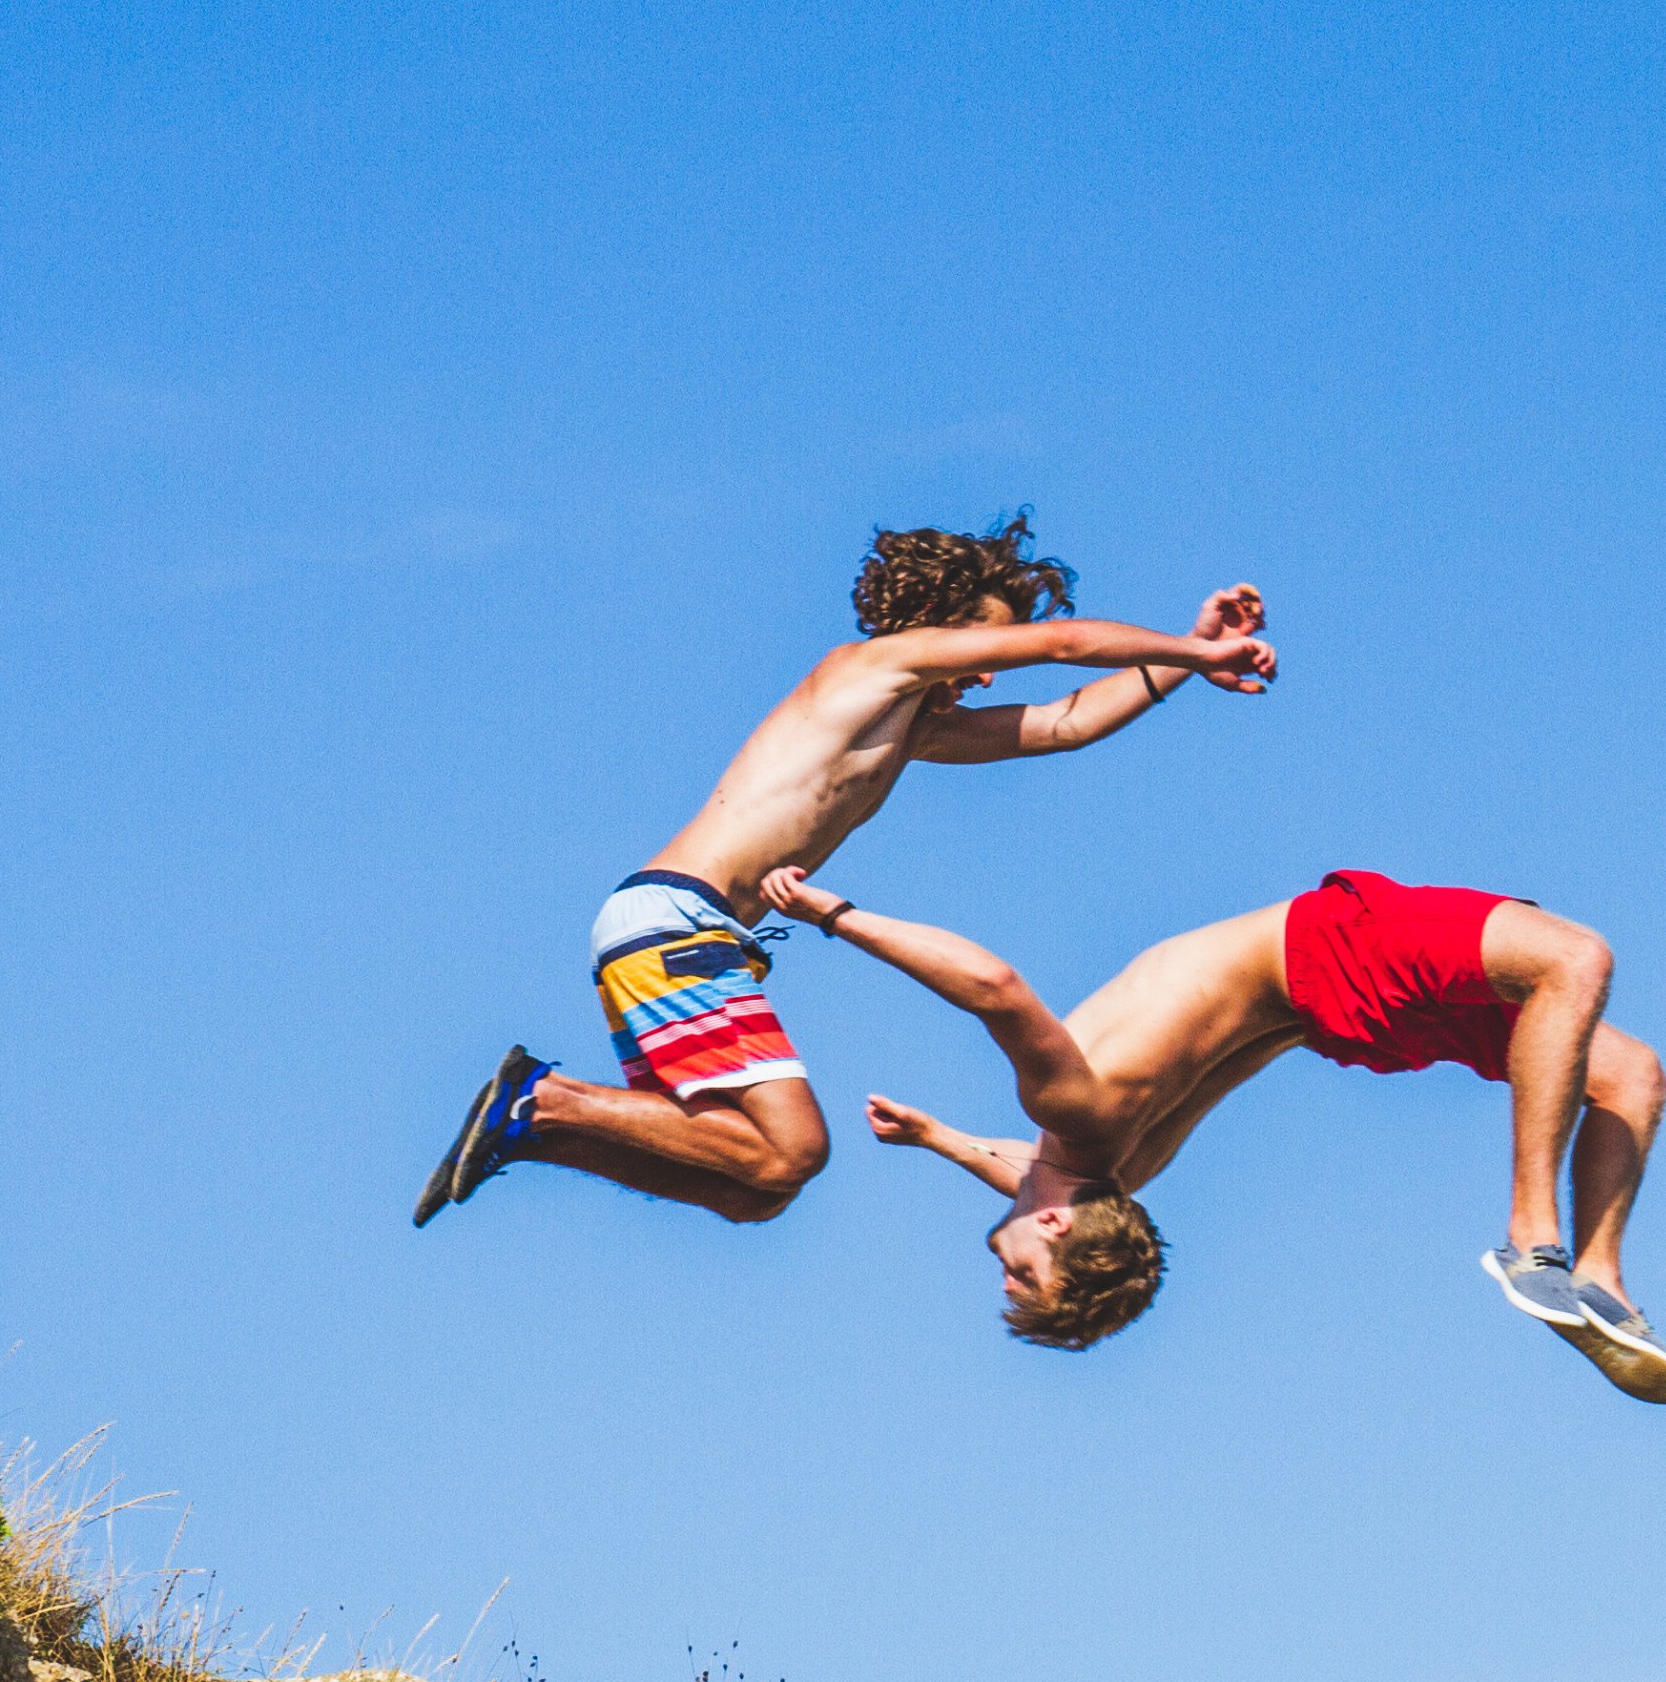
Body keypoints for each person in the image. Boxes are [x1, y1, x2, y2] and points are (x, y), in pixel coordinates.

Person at [413, 513, 1274, 1228]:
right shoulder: (865, 668)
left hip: (691, 937)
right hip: (673, 924)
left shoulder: (912, 729)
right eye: (986, 641)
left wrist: (1179, 659)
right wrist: (1196, 652)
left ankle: (530, 1130)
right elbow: (1060, 647)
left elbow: (1063, 721)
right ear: (933, 622)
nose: (987, 669)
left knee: (760, 1190)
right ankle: (544, 1097)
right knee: (798, 1147)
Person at [763, 860, 1666, 1401]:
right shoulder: (1072, 1115)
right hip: (1328, 952)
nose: (998, 1259)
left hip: (1337, 1020)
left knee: (1627, 1075)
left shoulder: (1119, 1165)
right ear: (1056, 1227)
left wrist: (937, 1140)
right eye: (1018, 1272)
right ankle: (1536, 1242)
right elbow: (996, 990)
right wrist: (834, 915)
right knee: (1573, 959)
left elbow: (1021, 1173)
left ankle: (1600, 1282)